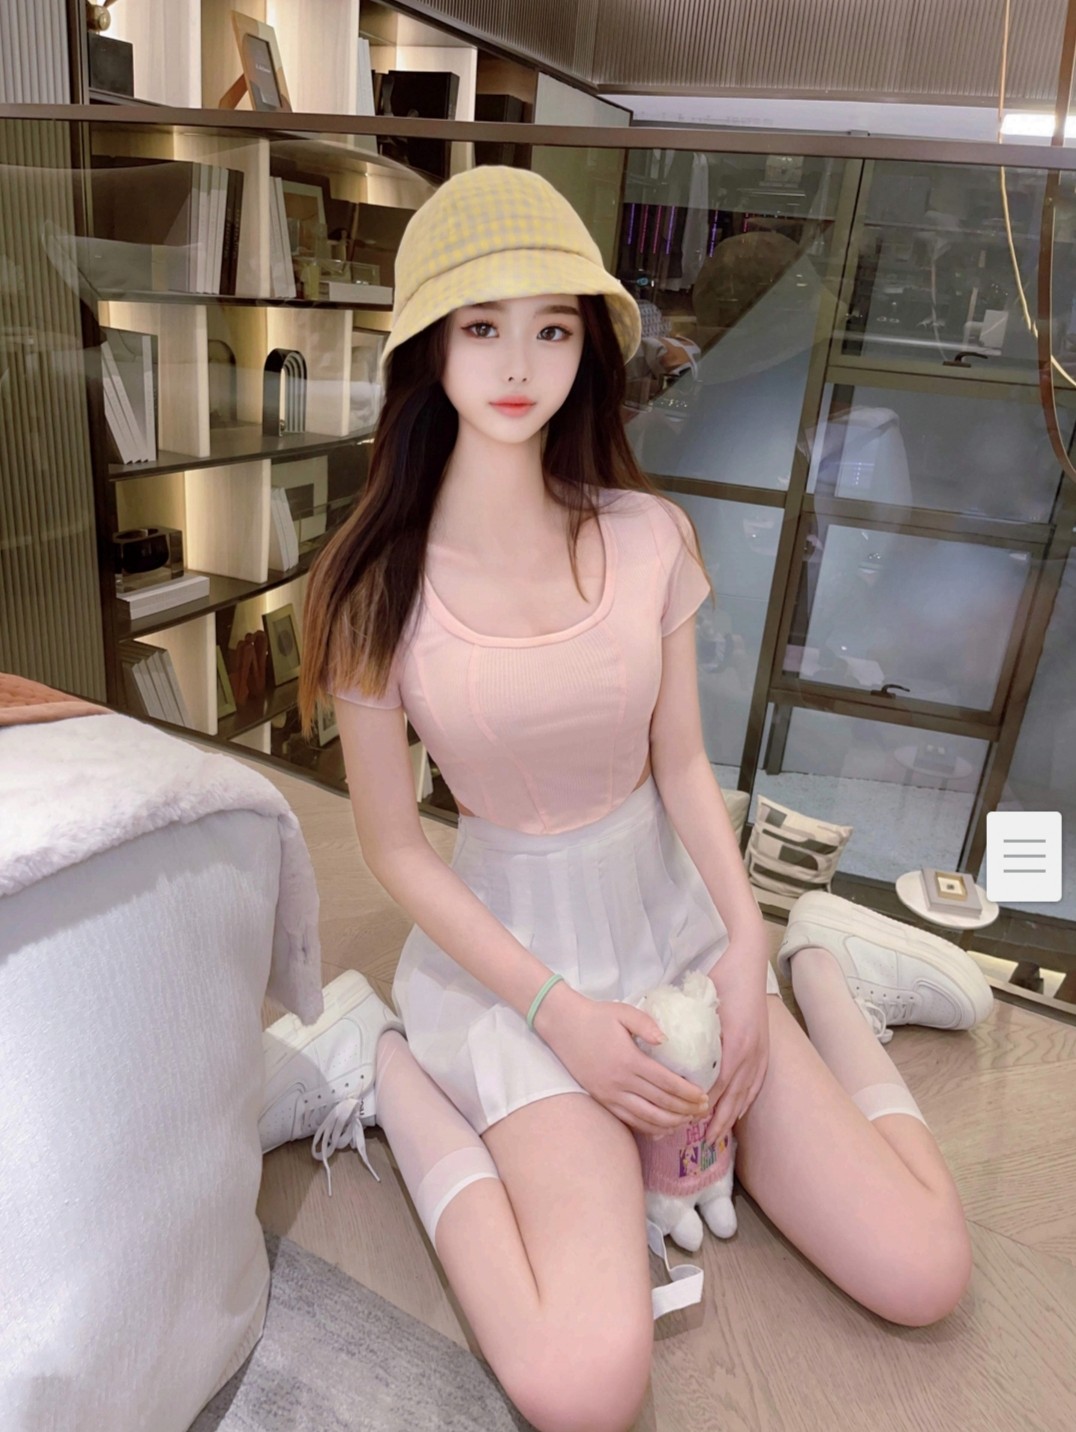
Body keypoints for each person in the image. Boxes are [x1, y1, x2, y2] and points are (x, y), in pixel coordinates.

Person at [258, 166, 993, 1432]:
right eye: (481, 326)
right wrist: (560, 1014)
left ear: (587, 348)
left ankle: (826, 972)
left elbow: (683, 767)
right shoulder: (372, 585)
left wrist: (746, 943)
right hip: (514, 970)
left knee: (924, 1268)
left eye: (552, 329)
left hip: (677, 925)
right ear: (428, 347)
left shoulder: (647, 537)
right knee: (584, 1387)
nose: (517, 364)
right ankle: (377, 1059)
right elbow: (392, 845)